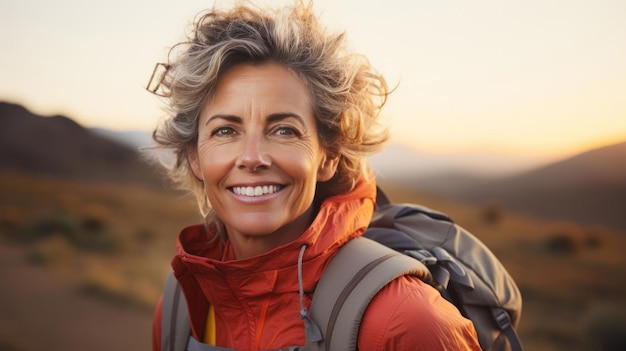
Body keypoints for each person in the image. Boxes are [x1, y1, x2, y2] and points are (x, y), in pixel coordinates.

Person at [147, 1, 481, 350]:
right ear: (195, 157)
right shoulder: (182, 304)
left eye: (284, 131)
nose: (252, 158)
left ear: (329, 155)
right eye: (225, 131)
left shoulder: (406, 320)